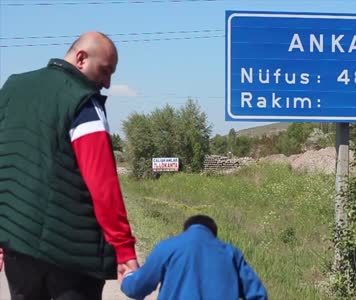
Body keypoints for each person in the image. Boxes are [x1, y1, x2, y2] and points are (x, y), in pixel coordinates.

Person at [0, 31, 139, 300]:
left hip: (19, 248)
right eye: (105, 71)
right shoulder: (83, 101)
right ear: (81, 58)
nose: (108, 83)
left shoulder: (11, 90)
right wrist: (124, 249)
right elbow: (103, 184)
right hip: (75, 256)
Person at [121, 215, 268, 300]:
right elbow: (258, 295)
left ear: (185, 230)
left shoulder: (167, 247)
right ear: (213, 234)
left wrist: (128, 277)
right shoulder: (231, 253)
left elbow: (137, 288)